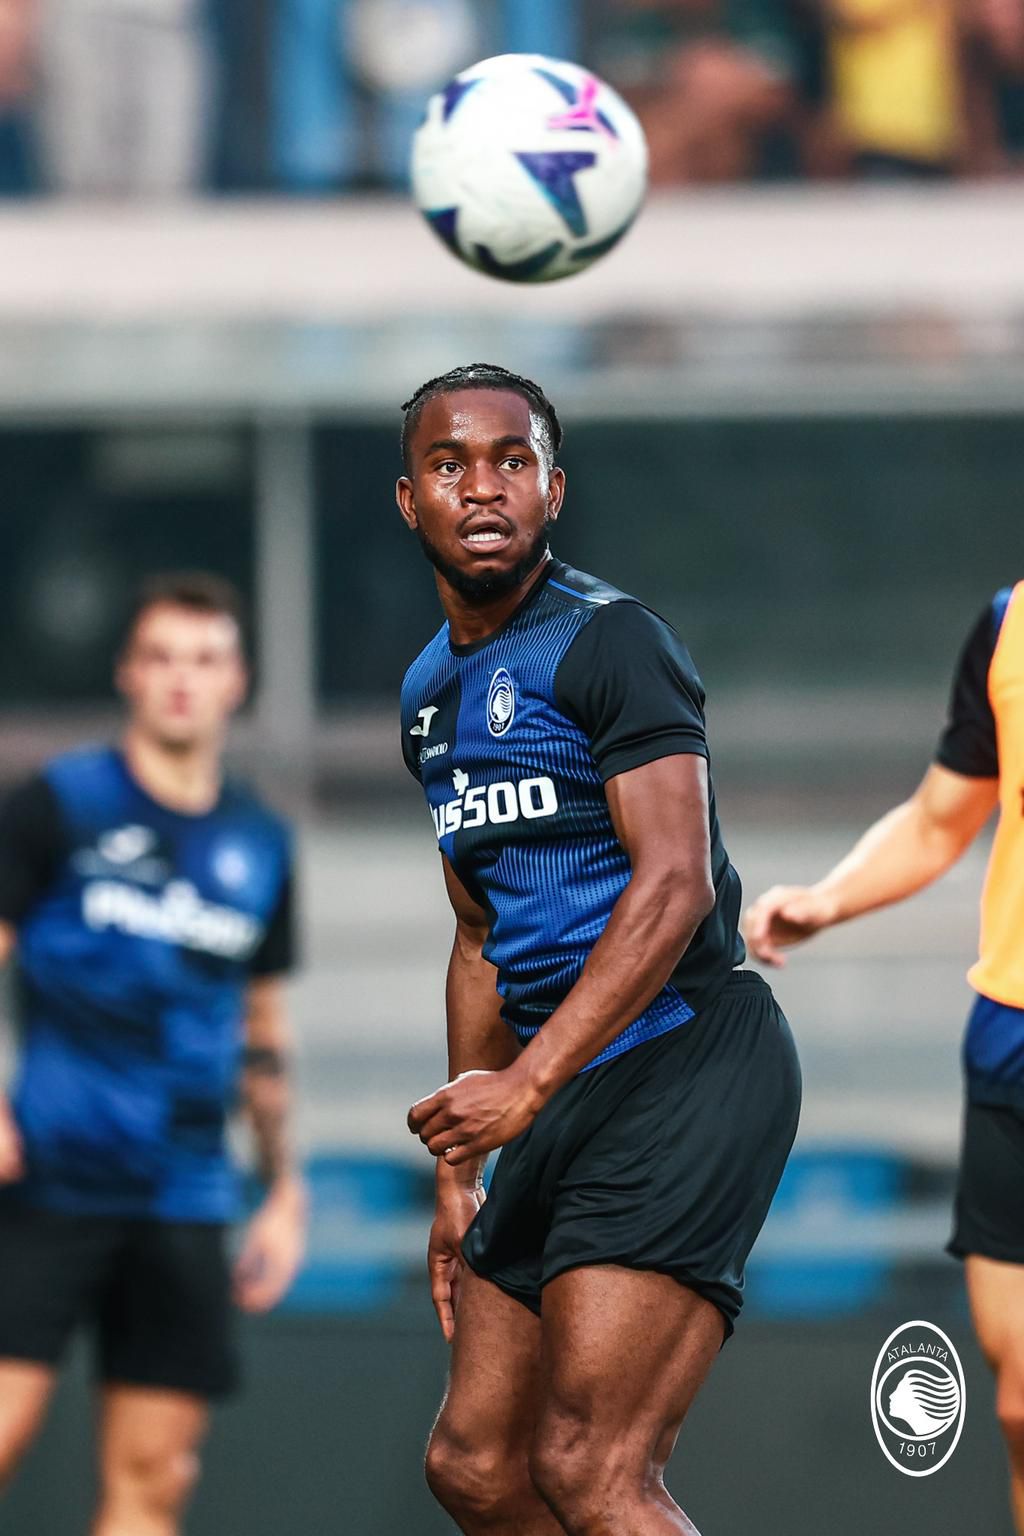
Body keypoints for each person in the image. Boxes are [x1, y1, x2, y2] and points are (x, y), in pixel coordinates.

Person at [398, 362, 801, 1536]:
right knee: (477, 1469)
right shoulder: (429, 692)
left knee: (591, 1469)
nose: (482, 488)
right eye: (449, 463)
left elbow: (673, 884)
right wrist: (455, 1175)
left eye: (511, 461)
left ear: (553, 490)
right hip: (561, 1086)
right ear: (407, 498)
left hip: (683, 1059)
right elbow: (479, 933)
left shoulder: (611, 641)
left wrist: (525, 1083)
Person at [0, 572, 306, 1535]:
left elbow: (262, 1028)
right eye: (164, 658)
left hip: (185, 1195)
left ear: (238, 682)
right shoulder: (57, 804)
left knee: (154, 1479)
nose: (184, 679)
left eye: (206, 660)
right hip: (48, 1179)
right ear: (131, 673)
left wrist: (283, 1188)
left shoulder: (261, 845)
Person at [743, 582, 1024, 1532]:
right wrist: (831, 897)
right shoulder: (1007, 625)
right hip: (1012, 1037)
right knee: (1022, 1399)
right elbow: (942, 818)